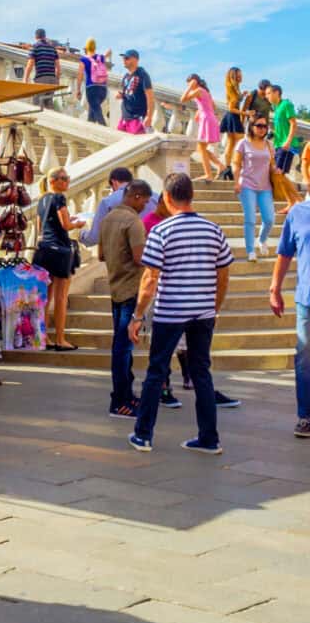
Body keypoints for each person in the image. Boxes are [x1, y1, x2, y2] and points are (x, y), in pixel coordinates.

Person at [128, 172, 233, 454]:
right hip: (203, 312)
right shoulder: (213, 229)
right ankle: (209, 438)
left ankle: (143, 434)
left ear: (166, 197)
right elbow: (223, 275)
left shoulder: (161, 231)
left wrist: (138, 315)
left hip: (170, 312)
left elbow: (150, 279)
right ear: (192, 196)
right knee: (202, 373)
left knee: (156, 371)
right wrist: (215, 307)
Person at [99, 179, 152, 418]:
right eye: (145, 201)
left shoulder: (108, 218)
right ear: (138, 197)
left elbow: (100, 254)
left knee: (122, 346)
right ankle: (120, 400)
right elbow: (140, 257)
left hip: (115, 287)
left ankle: (126, 395)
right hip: (131, 288)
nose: (145, 207)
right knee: (123, 348)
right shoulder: (133, 221)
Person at [271, 196, 310, 438]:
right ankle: (306, 416)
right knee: (305, 359)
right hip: (307, 299)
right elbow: (285, 253)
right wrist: (274, 288)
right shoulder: (298, 212)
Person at [35, 167, 86, 351]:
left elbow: (42, 227)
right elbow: (65, 225)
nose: (67, 182)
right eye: (63, 178)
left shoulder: (42, 199)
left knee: (45, 298)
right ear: (53, 181)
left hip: (44, 250)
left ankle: (43, 337)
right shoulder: (59, 198)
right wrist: (77, 223)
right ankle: (60, 339)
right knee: (61, 297)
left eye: (67, 178)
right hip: (60, 251)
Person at [233, 116, 277, 261]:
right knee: (250, 219)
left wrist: (277, 171)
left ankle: (262, 239)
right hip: (247, 185)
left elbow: (272, 165)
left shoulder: (269, 145)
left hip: (265, 187)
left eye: (265, 126)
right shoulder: (243, 143)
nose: (262, 129)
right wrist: (236, 182)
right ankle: (250, 250)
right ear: (251, 126)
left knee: (269, 219)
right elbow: (236, 164)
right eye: (259, 125)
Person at [81, 166, 156, 247]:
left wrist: (81, 235)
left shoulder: (108, 202)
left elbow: (95, 237)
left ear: (114, 182)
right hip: (154, 250)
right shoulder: (155, 197)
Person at [180, 74, 224, 181]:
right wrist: (200, 110)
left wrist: (190, 87)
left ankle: (208, 174)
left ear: (194, 82)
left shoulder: (198, 90)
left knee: (201, 147)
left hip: (207, 120)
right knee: (201, 148)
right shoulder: (205, 91)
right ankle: (220, 166)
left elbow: (182, 99)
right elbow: (213, 106)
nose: (189, 85)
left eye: (189, 83)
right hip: (209, 118)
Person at [117, 50, 154, 134]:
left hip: (137, 119)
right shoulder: (126, 76)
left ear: (135, 60)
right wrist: (121, 95)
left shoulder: (143, 75)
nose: (124, 60)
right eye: (123, 58)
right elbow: (128, 93)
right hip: (124, 118)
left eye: (126, 58)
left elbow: (150, 97)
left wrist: (149, 116)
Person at [219, 67, 245, 180]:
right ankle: (233, 167)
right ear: (234, 77)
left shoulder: (234, 88)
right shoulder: (232, 89)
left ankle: (227, 168)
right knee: (240, 143)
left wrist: (242, 96)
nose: (241, 77)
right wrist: (246, 113)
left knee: (231, 144)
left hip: (231, 117)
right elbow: (231, 108)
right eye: (239, 75)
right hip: (233, 116)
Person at [267, 84, 299, 175]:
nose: (267, 96)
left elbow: (293, 124)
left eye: (269, 93)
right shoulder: (276, 108)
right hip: (278, 145)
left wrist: (288, 142)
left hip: (286, 146)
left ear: (277, 93)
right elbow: (282, 127)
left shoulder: (286, 104)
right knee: (276, 174)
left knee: (279, 173)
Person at [76, 39, 110, 125]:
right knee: (92, 115)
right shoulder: (101, 57)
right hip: (103, 89)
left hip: (92, 89)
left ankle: (105, 131)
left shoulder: (84, 60)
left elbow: (80, 76)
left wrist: (78, 90)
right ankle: (88, 131)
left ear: (86, 49)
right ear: (94, 48)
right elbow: (109, 52)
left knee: (98, 113)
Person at [23, 28, 60, 106]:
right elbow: (58, 67)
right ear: (44, 36)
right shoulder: (52, 48)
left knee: (37, 105)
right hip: (52, 80)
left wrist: (25, 79)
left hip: (41, 79)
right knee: (49, 106)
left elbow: (30, 64)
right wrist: (57, 80)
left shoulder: (35, 47)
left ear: (36, 37)